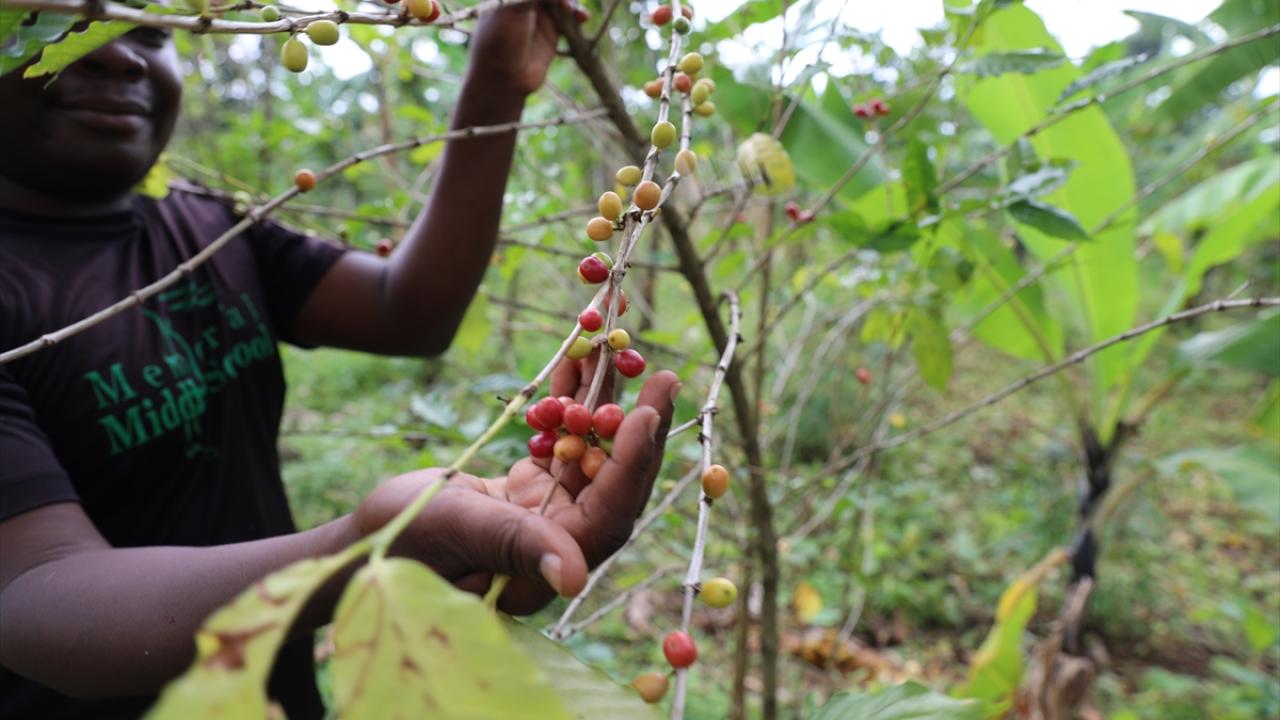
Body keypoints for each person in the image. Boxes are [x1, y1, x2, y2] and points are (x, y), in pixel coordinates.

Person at [0, 4, 678, 718]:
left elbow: (407, 309)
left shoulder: (204, 223)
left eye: (147, 29)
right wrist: (362, 549)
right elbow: (32, 590)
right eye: (47, 21)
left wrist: (497, 82)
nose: (118, 56)